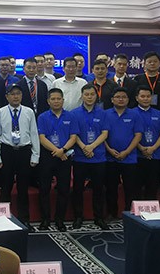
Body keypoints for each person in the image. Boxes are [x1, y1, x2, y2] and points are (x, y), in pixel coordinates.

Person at [0, 84, 40, 227]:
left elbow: (34, 134)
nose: (15, 96)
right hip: (7, 151)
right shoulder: (0, 112)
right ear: (7, 96)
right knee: (5, 186)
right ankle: (2, 219)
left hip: (24, 151)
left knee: (23, 187)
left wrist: (35, 155)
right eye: (12, 94)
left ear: (22, 96)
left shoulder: (28, 112)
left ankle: (24, 219)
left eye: (18, 93)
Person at [70, 84, 110, 229]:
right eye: (86, 94)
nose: (89, 97)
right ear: (82, 96)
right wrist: (84, 148)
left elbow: (105, 133)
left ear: (96, 96)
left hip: (98, 156)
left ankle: (99, 217)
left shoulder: (102, 113)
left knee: (99, 188)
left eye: (92, 94)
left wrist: (91, 147)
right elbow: (74, 135)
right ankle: (78, 217)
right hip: (80, 157)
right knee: (78, 188)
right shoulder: (74, 114)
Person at [36, 88, 75, 231]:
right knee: (44, 189)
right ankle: (45, 219)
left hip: (65, 156)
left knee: (64, 189)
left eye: (59, 99)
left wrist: (62, 150)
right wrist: (57, 151)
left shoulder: (70, 116)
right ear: (48, 101)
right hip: (47, 156)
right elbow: (42, 138)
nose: (56, 101)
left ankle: (60, 220)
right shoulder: (42, 117)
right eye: (53, 99)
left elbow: (73, 137)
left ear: (63, 100)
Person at [104, 88, 143, 218]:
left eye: (124, 97)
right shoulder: (105, 114)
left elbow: (138, 135)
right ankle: (111, 213)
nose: (121, 99)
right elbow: (102, 135)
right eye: (118, 97)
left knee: (130, 188)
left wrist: (127, 152)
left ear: (128, 99)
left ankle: (129, 214)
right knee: (111, 188)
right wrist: (109, 149)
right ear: (112, 99)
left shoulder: (134, 115)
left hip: (129, 157)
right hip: (110, 157)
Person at [133, 86, 160, 201]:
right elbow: (130, 134)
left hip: (155, 155)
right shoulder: (131, 113)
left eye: (148, 96)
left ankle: (151, 211)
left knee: (152, 187)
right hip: (136, 155)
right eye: (142, 96)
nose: (145, 99)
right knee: (136, 188)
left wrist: (153, 148)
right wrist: (141, 148)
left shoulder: (159, 114)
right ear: (137, 98)